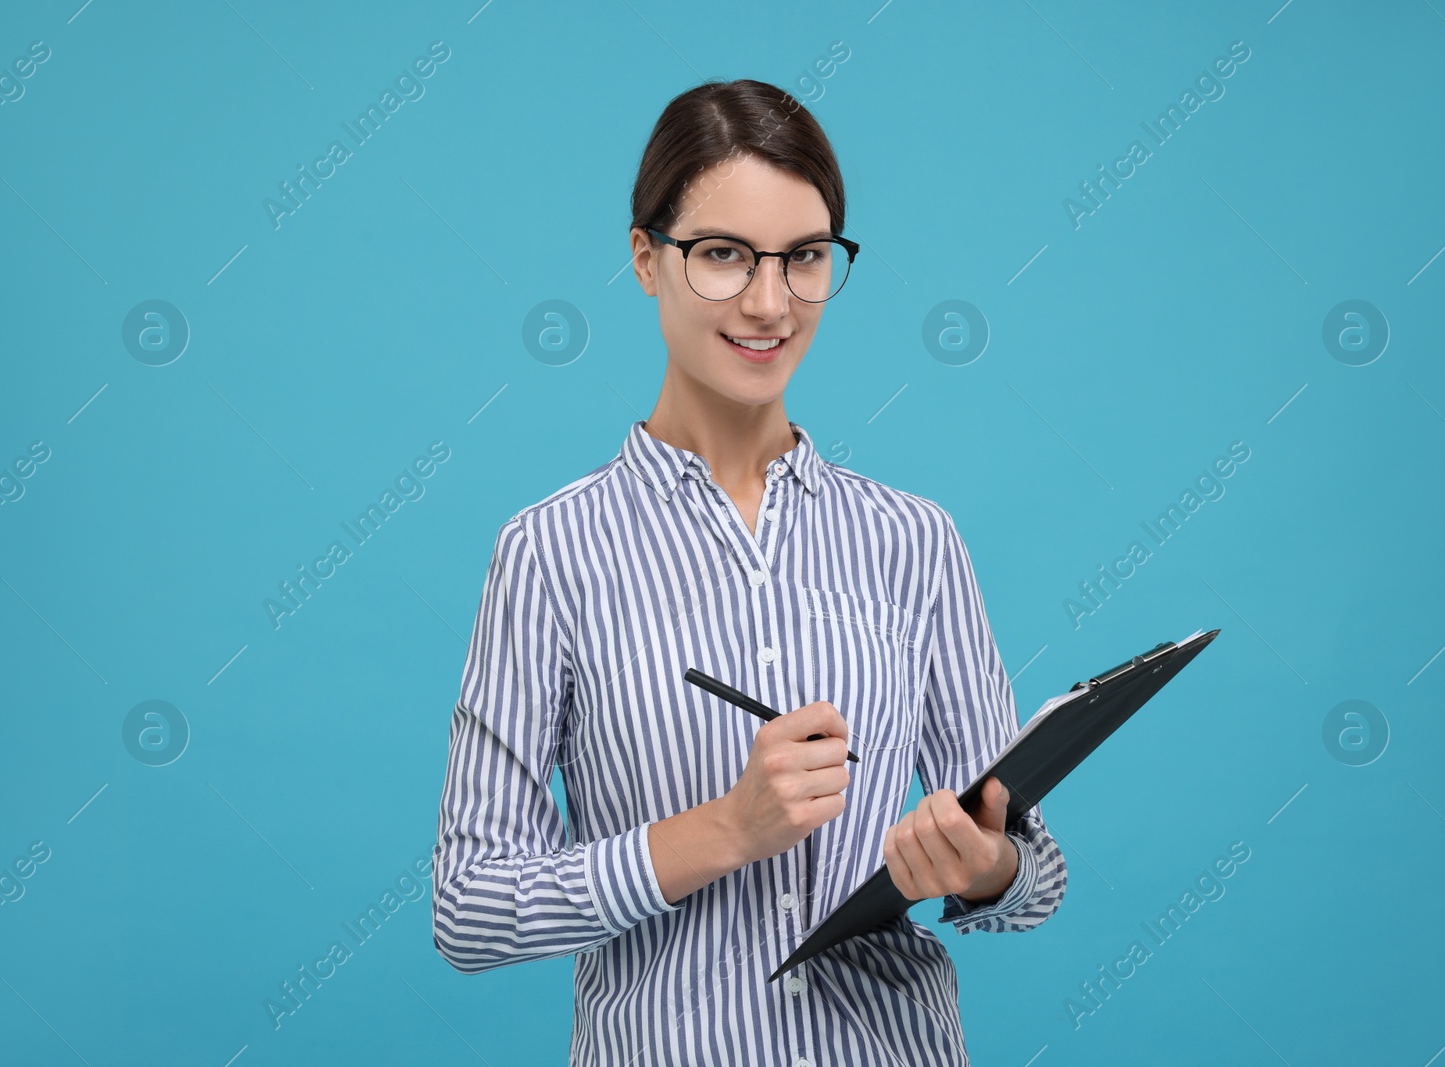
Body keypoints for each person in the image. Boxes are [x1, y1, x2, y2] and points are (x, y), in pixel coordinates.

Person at [432, 78, 1067, 1066]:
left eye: (804, 258)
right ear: (645, 259)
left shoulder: (914, 539)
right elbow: (470, 909)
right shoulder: (550, 553)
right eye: (723, 254)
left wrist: (981, 863)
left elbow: (1033, 874)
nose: (769, 303)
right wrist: (724, 829)